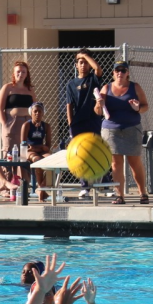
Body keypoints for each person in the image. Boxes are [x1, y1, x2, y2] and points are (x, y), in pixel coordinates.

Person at [95, 60, 150, 205]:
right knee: (115, 163)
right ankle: (120, 195)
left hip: (132, 128)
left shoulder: (135, 87)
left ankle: (142, 193)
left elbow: (145, 106)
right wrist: (98, 105)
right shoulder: (106, 88)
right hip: (111, 129)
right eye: (117, 70)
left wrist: (138, 108)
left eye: (123, 70)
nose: (120, 73)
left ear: (128, 73)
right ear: (113, 73)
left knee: (134, 162)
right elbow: (98, 111)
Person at [64, 49, 106, 198]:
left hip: (93, 120)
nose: (83, 65)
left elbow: (98, 69)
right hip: (78, 123)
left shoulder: (93, 79)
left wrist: (85, 55)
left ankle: (103, 185)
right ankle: (85, 187)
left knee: (96, 150)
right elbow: (69, 105)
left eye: (85, 62)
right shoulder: (71, 84)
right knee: (81, 154)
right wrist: (71, 124)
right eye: (80, 62)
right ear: (76, 65)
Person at [20, 259, 99, 304]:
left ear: (55, 297)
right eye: (38, 295)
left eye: (47, 294)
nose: (43, 299)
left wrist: (91, 303)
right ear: (31, 299)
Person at [0, 60, 36, 163]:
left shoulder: (30, 90)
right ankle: (9, 177)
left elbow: (35, 108)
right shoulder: (7, 88)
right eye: (18, 71)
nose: (21, 74)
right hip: (12, 123)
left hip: (27, 124)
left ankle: (24, 178)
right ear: (14, 73)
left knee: (25, 155)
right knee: (10, 155)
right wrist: (5, 124)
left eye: (23, 72)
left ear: (27, 74)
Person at [20, 102, 53, 201]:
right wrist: (39, 148)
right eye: (35, 111)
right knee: (38, 161)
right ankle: (41, 189)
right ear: (31, 113)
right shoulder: (26, 125)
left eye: (40, 111)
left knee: (52, 161)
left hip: (38, 149)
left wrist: (36, 147)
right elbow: (23, 146)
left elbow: (47, 147)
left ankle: (41, 188)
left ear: (43, 113)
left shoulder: (46, 126)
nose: (37, 113)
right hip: (29, 152)